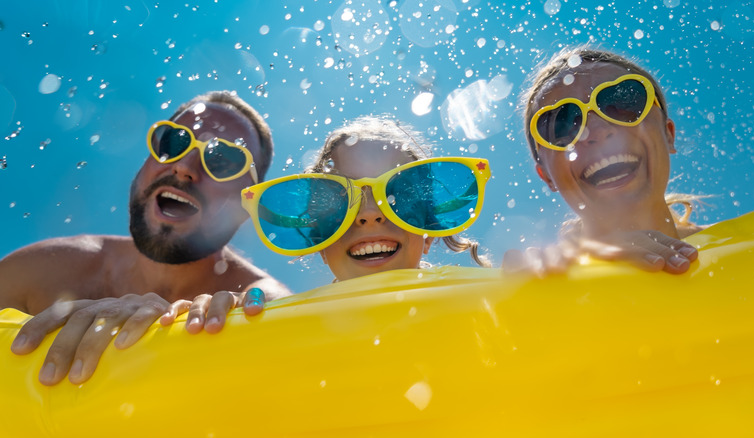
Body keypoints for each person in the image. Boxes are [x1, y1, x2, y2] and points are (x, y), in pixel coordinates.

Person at [0, 90, 291, 385]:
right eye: (173, 142)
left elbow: (281, 315)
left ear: (246, 205)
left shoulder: (257, 297)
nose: (184, 167)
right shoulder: (39, 271)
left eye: (223, 160)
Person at [184, 115, 490, 325]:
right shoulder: (291, 333)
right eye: (340, 204)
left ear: (429, 233)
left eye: (401, 197)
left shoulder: (480, 308)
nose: (370, 214)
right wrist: (231, 324)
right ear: (319, 239)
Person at [503, 46, 703, 275]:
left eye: (622, 103)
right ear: (547, 176)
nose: (596, 130)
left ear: (668, 134)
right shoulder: (547, 282)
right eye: (562, 124)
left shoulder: (750, 244)